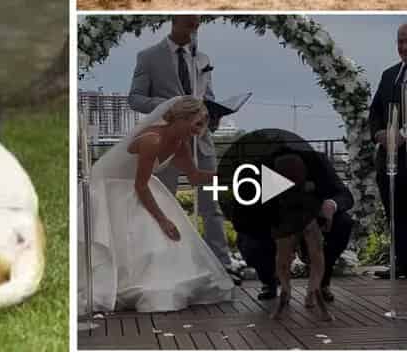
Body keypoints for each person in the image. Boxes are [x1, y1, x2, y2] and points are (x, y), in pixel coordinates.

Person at [79, 96, 236, 312]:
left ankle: (163, 280)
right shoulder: (151, 140)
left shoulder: (180, 145)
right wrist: (163, 220)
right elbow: (140, 186)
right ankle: (129, 283)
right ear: (181, 118)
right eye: (197, 123)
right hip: (116, 190)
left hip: (140, 186)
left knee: (166, 239)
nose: (200, 130)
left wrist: (228, 174)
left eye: (203, 125)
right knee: (155, 231)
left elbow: (194, 177)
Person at [127, 17, 235, 274]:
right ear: (175, 22)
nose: (194, 30)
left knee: (212, 206)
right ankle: (167, 264)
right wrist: (168, 106)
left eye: (197, 25)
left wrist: (213, 115)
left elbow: (207, 97)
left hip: (202, 141)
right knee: (166, 201)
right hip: (169, 138)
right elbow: (135, 99)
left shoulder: (203, 58)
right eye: (189, 24)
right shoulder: (148, 57)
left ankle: (222, 265)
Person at [231, 147, 354, 302]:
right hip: (272, 223)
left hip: (314, 218)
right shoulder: (251, 174)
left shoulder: (318, 163)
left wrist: (331, 204)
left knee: (343, 223)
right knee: (250, 241)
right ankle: (269, 281)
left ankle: (322, 282)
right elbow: (240, 219)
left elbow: (344, 195)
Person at [368, 23, 407, 279]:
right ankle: (401, 262)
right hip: (390, 161)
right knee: (396, 213)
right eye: (400, 41)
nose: (403, 47)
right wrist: (379, 134)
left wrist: (403, 135)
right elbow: (375, 112)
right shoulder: (389, 75)